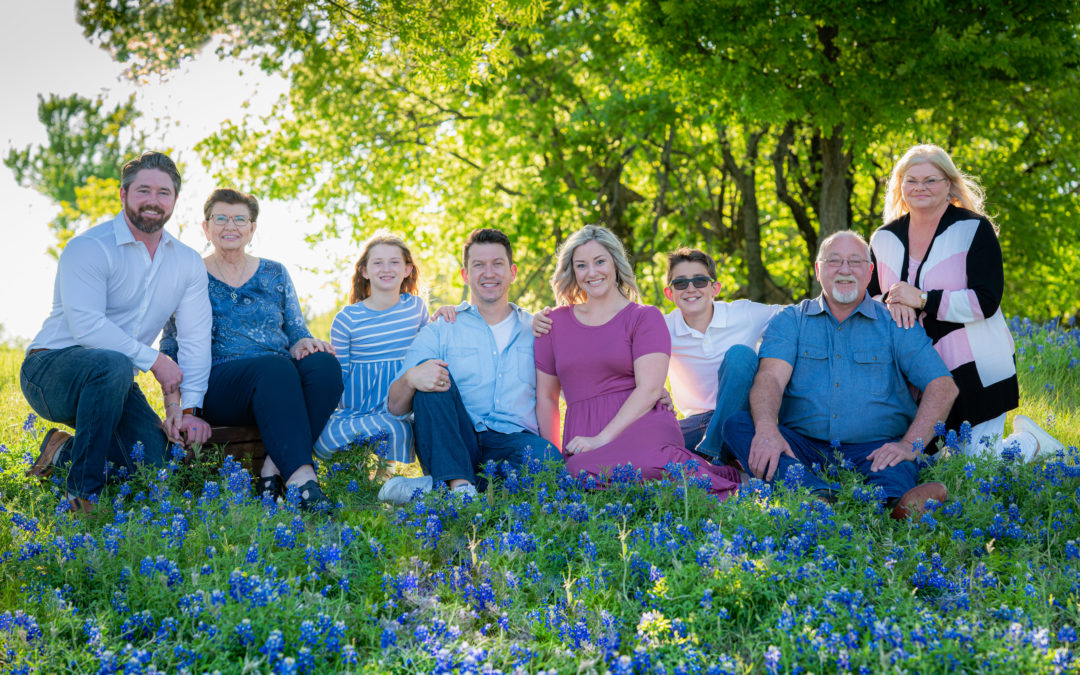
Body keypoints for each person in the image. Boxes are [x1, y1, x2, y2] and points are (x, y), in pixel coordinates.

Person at [22, 151, 211, 513]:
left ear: (174, 200)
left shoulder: (186, 262)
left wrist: (187, 408)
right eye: (143, 191)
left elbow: (195, 337)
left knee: (154, 469)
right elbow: (87, 326)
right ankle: (83, 495)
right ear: (123, 195)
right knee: (113, 363)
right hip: (50, 372)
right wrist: (155, 360)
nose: (153, 201)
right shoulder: (89, 248)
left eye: (164, 193)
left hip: (115, 381)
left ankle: (61, 451)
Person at [724, 231, 959, 519]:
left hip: (876, 448)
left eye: (855, 261)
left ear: (869, 271)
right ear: (818, 269)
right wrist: (767, 430)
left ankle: (899, 506)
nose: (845, 269)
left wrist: (909, 445)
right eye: (834, 261)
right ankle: (816, 494)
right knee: (739, 424)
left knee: (895, 467)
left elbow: (943, 386)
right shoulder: (791, 320)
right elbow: (770, 378)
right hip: (802, 446)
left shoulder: (895, 322)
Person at [869, 144, 1062, 460]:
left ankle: (1029, 442)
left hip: (975, 364)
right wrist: (892, 300)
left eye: (931, 180)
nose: (920, 188)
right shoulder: (883, 238)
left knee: (976, 465)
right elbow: (871, 299)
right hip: (915, 374)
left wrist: (921, 299)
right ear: (899, 186)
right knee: (926, 464)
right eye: (911, 180)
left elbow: (986, 300)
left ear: (948, 184)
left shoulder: (974, 228)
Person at [161, 188, 341, 511]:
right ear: (206, 227)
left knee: (324, 366)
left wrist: (303, 342)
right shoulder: (191, 275)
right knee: (275, 367)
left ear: (252, 228)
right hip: (219, 385)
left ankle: (273, 466)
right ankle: (303, 482)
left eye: (240, 219)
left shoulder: (275, 273)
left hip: (278, 381)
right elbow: (171, 347)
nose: (231, 225)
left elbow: (297, 331)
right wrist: (174, 406)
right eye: (221, 218)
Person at [533, 225, 742, 498]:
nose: (592, 272)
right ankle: (707, 474)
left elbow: (650, 389)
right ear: (572, 271)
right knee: (578, 475)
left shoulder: (644, 317)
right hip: (585, 426)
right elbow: (547, 398)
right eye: (581, 265)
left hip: (641, 420)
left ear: (616, 264)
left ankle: (726, 477)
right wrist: (554, 462)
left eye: (600, 261)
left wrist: (601, 440)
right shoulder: (552, 323)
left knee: (647, 468)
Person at [379, 228, 563, 503]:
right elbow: (395, 406)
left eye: (497, 264)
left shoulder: (536, 329)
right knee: (432, 376)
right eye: (479, 265)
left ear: (512, 272)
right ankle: (458, 483)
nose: (489, 273)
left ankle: (441, 488)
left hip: (513, 443)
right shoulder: (442, 328)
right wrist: (412, 378)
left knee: (547, 462)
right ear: (465, 274)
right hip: (453, 438)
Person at [314, 233, 429, 477]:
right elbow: (339, 375)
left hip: (397, 408)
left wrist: (451, 310)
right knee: (326, 437)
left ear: (408, 269)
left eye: (394, 262)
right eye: (377, 262)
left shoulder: (416, 309)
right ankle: (351, 482)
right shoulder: (347, 319)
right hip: (355, 409)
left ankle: (383, 485)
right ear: (364, 271)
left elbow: (428, 353)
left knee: (398, 430)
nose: (386, 268)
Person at [661, 248, 782, 463]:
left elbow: (795, 317)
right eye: (680, 283)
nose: (690, 288)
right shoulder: (662, 328)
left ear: (715, 288)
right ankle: (725, 458)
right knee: (652, 444)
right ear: (669, 293)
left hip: (744, 417)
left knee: (740, 355)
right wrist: (656, 388)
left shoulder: (744, 314)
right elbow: (625, 359)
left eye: (699, 281)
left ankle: (712, 451)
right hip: (697, 425)